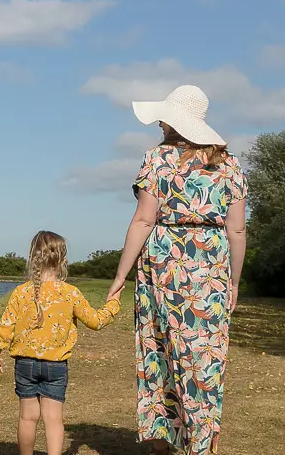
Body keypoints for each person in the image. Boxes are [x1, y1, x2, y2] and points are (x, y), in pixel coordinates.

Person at [106, 85, 248, 455]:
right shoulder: (229, 164)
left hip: (164, 265)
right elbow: (236, 229)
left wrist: (122, 275)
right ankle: (200, 444)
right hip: (211, 267)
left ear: (174, 120)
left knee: (159, 350)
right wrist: (233, 281)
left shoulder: (157, 159)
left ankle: (163, 441)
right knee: (203, 359)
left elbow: (142, 221)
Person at [0, 230, 121, 455]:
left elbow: (4, 329)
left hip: (25, 365)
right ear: (63, 260)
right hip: (56, 366)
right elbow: (95, 321)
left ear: (33, 258)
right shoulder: (70, 293)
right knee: (53, 419)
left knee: (27, 418)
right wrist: (113, 304)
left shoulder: (21, 293)